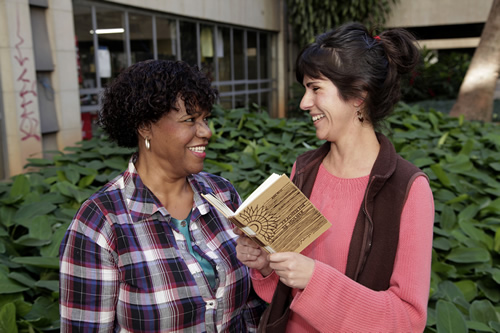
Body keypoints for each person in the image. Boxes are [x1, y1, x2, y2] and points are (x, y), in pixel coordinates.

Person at [235, 22, 434, 332]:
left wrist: (315, 279)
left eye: (315, 88)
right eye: (305, 88)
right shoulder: (303, 170)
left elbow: (408, 320)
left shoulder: (408, 189)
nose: (303, 103)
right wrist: (265, 266)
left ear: (358, 94)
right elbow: (285, 295)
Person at [59, 59, 266, 332]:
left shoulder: (223, 194)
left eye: (205, 119)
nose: (206, 132)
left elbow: (250, 309)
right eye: (189, 120)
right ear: (145, 126)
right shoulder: (101, 222)